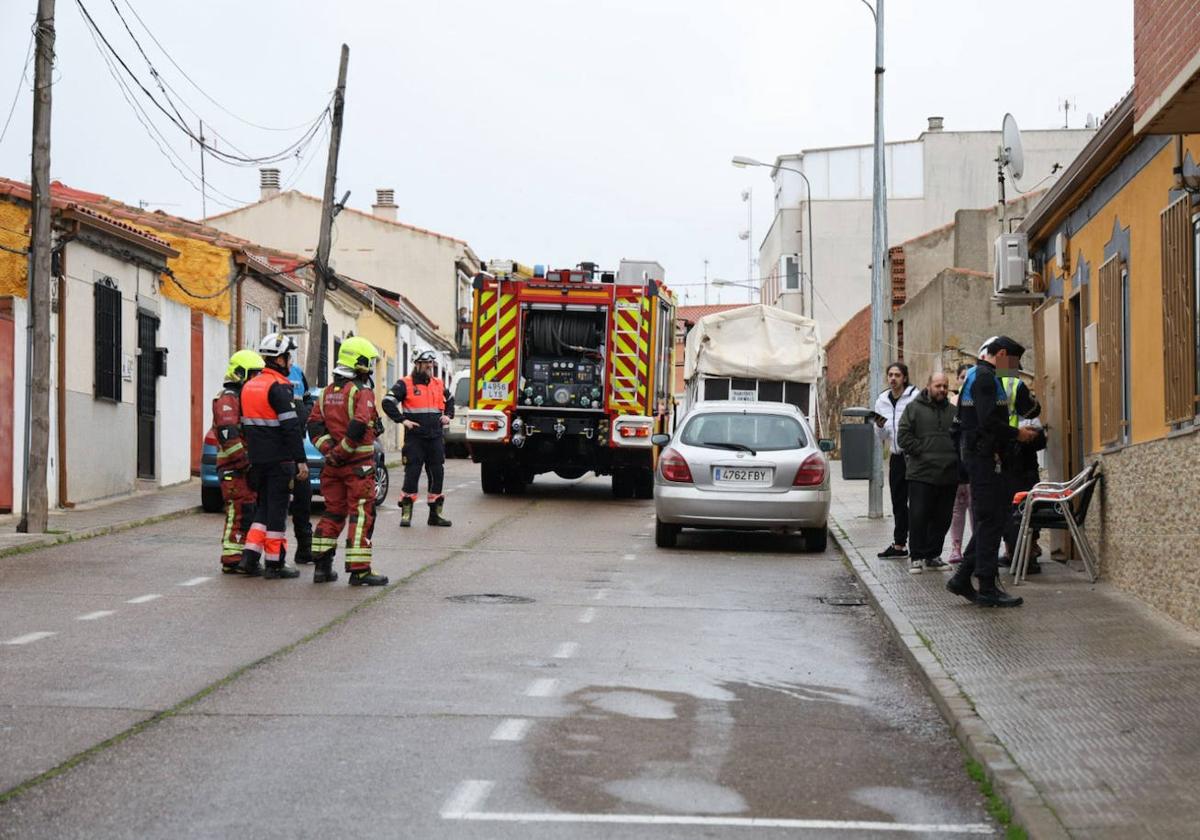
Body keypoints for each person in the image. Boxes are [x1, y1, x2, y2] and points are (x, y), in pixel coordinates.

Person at [945, 336, 1037, 608]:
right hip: (984, 460)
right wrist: (1017, 434)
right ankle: (986, 586)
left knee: (990, 519)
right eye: (1015, 363)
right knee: (991, 520)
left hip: (980, 457)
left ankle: (963, 578)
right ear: (1003, 354)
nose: (1016, 368)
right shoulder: (985, 378)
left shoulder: (977, 375)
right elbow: (987, 422)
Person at [307, 337, 389, 586]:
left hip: (332, 467)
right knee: (361, 514)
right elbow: (359, 423)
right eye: (369, 363)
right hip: (358, 467)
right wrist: (342, 451)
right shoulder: (361, 391)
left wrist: (329, 451)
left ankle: (322, 568)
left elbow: (314, 425)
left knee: (333, 512)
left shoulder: (327, 392)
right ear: (360, 363)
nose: (371, 368)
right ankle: (360, 570)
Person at [237, 334, 309, 579]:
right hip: (280, 460)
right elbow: (291, 429)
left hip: (257, 459)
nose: (290, 363)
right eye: (288, 357)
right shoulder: (277, 387)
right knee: (277, 511)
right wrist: (301, 460)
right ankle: (275, 563)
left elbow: (243, 425)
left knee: (263, 509)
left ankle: (249, 556)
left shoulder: (249, 386)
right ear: (279, 358)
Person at [382, 350, 454, 527]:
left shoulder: (438, 383)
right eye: (426, 364)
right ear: (417, 364)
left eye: (431, 364)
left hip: (435, 437)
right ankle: (406, 514)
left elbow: (450, 399)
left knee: (437, 474)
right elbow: (387, 402)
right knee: (412, 474)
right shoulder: (405, 384)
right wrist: (402, 420)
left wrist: (449, 416)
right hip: (415, 439)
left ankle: (435, 515)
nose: (430, 367)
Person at [897, 371, 958, 574]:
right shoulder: (913, 409)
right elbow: (903, 437)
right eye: (938, 386)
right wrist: (923, 450)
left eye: (945, 386)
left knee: (943, 518)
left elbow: (961, 437)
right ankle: (917, 556)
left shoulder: (953, 411)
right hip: (921, 474)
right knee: (919, 516)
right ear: (929, 385)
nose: (941, 390)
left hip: (948, 474)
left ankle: (933, 555)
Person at [213, 350, 265, 574]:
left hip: (242, 466)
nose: (257, 380)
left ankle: (240, 556)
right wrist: (245, 464)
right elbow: (228, 434)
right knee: (239, 511)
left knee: (247, 510)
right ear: (241, 373)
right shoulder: (228, 398)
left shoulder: (241, 397)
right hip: (234, 468)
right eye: (254, 375)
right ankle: (232, 557)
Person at [999, 373, 1047, 573]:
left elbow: (1040, 441)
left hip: (1025, 469)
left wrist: (1027, 437)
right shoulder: (999, 410)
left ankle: (1027, 554)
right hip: (1008, 469)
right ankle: (1013, 553)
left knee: (1027, 512)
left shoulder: (1029, 413)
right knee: (1010, 514)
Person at [873, 362, 919, 559]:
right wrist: (879, 426)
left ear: (905, 378)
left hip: (916, 457)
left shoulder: (915, 397)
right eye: (890, 375)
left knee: (917, 502)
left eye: (897, 375)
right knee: (898, 502)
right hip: (897, 457)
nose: (893, 378)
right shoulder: (882, 400)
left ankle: (919, 544)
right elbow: (881, 436)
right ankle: (900, 544)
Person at [287, 361, 314, 565]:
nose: (290, 362)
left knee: (303, 500)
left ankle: (304, 550)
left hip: (297, 445)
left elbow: (306, 398)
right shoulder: (264, 375)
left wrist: (305, 413)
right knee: (272, 506)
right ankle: (267, 556)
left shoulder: (297, 372)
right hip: (277, 450)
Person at [947, 363, 973, 564]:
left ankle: (975, 546)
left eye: (968, 376)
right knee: (957, 506)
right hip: (956, 460)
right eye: (962, 376)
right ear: (958, 379)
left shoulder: (978, 401)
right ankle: (956, 547)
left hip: (974, 460)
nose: (965, 380)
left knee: (975, 505)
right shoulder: (952, 403)